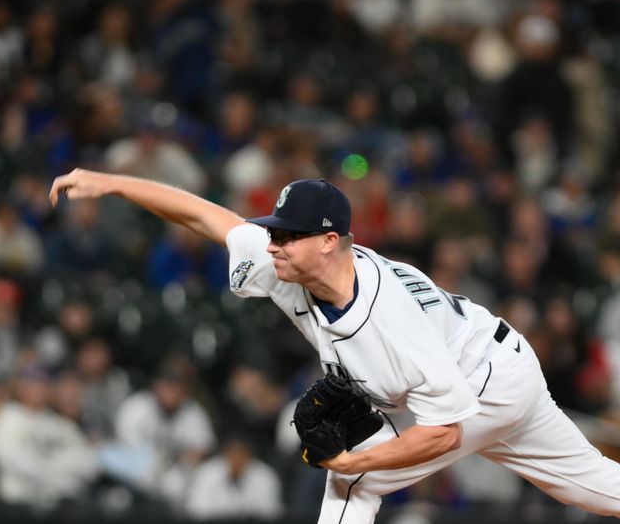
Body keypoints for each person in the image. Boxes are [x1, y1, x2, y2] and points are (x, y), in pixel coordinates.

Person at [49, 169, 620, 523]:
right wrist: (115, 184)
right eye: (272, 231)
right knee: (595, 487)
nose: (271, 243)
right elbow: (205, 217)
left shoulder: (383, 320)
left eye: (285, 235)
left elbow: (444, 429)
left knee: (353, 481)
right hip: (497, 359)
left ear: (328, 241)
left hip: (481, 383)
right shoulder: (289, 261)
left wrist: (356, 459)